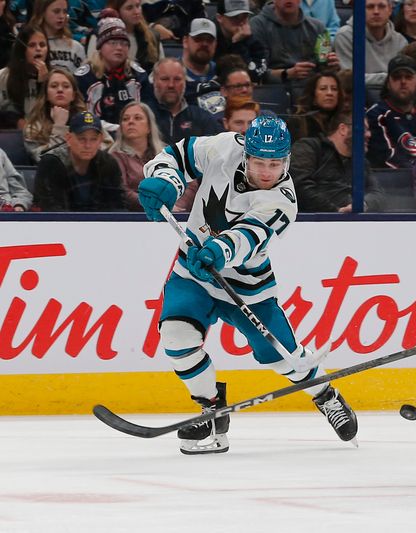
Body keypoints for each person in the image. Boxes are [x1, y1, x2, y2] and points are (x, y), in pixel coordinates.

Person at [136, 115, 358, 454]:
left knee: (283, 358)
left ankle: (325, 394)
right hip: (192, 275)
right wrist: (166, 181)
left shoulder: (283, 200)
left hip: (248, 288)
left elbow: (250, 235)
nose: (268, 171)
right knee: (176, 338)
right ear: (245, 155)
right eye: (259, 162)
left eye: (276, 163)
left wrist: (219, 250)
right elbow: (176, 155)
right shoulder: (224, 147)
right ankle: (211, 410)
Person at [291, 111, 385, 212]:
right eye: (364, 129)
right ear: (343, 129)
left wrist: (362, 204)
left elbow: (378, 193)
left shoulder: (361, 162)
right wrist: (336, 211)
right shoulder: (310, 148)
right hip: (313, 223)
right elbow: (300, 187)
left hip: (355, 222)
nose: (369, 134)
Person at [34, 110, 125, 211]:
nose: (87, 145)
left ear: (100, 140)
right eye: (81, 139)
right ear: (68, 138)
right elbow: (51, 210)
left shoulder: (108, 163)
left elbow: (117, 206)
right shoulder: (50, 163)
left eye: (93, 139)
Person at [75, 11, 153, 128]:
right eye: (113, 43)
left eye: (123, 43)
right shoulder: (83, 77)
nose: (119, 48)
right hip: (93, 136)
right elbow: (79, 116)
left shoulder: (139, 75)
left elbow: (148, 113)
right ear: (100, 46)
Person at [366, 54, 416, 168]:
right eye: (397, 77)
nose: (403, 81)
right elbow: (384, 159)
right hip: (394, 183)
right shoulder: (376, 115)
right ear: (388, 84)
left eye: (408, 77)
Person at [251, 0, 339, 85]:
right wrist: (287, 74)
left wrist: (331, 67)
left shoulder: (318, 27)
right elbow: (258, 72)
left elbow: (324, 71)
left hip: (311, 89)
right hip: (275, 89)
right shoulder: (258, 25)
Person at [148, 57, 223, 144]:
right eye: (165, 79)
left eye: (177, 79)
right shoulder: (143, 116)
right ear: (154, 81)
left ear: (185, 82)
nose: (171, 85)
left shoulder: (201, 117)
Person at [335, 0, 407, 87]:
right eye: (370, 7)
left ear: (390, 10)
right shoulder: (345, 36)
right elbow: (349, 79)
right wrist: (390, 78)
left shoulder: (400, 41)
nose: (376, 12)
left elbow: (404, 79)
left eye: (381, 6)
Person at [86, 0, 164, 74]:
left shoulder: (153, 36)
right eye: (129, 8)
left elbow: (159, 72)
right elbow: (92, 70)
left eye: (138, 6)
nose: (136, 12)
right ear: (116, 11)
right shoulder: (99, 36)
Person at [0, 25, 49, 125]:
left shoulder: (54, 77)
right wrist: (16, 121)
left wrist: (43, 84)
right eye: (32, 45)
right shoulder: (4, 76)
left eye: (42, 45)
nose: (38, 49)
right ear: (22, 50)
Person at [213, 0, 269, 83]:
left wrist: (238, 44)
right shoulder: (209, 40)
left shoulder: (253, 41)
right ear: (219, 18)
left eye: (245, 16)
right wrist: (236, 44)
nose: (241, 22)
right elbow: (224, 74)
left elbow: (254, 76)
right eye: (235, 17)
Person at [29, 0, 86, 73]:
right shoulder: (31, 45)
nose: (62, 16)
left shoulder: (76, 47)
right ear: (42, 12)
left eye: (65, 11)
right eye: (56, 11)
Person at [293, 72, 342, 140]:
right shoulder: (298, 123)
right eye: (323, 88)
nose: (329, 93)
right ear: (313, 95)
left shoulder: (343, 123)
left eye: (334, 89)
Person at [182, 19, 218, 105]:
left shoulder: (223, 73)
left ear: (215, 44)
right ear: (185, 41)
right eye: (198, 39)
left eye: (209, 40)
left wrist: (257, 119)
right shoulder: (170, 73)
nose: (204, 44)